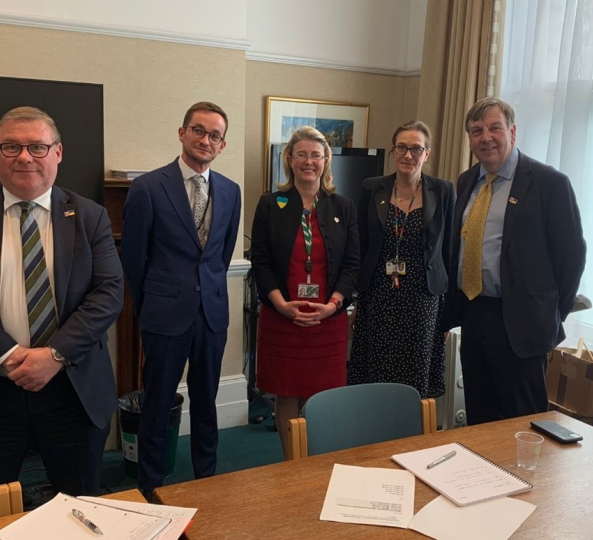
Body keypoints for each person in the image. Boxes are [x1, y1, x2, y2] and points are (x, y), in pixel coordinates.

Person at [0, 106, 124, 495]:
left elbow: (109, 293)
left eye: (37, 147)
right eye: (11, 147)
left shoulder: (90, 216)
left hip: (72, 391)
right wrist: (11, 356)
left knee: (78, 505)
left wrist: (54, 356)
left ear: (58, 153)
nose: (25, 157)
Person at [442, 97, 586, 425]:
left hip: (521, 324)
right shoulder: (467, 182)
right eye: (476, 131)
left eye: (495, 128)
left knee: (523, 424)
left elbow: (572, 258)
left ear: (513, 132)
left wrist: (548, 311)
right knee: (480, 417)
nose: (485, 137)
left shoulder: (548, 183)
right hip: (476, 314)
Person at [121, 102, 241, 493]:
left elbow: (220, 257)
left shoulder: (230, 191)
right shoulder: (148, 188)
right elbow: (134, 259)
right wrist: (150, 305)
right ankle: (151, 486)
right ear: (182, 132)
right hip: (163, 316)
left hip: (211, 316)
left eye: (214, 135)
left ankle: (206, 481)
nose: (205, 140)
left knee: (207, 403)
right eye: (198, 130)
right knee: (157, 407)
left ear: (222, 145)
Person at [250, 126, 359, 457]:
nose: (309, 161)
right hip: (283, 317)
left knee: (323, 396)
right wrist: (281, 304)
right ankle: (291, 464)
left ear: (326, 161)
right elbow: (261, 261)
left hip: (328, 319)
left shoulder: (343, 207)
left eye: (316, 155)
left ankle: (318, 461)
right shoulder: (271, 204)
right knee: (287, 393)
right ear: (289, 160)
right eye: (302, 154)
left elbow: (352, 264)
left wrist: (335, 304)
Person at [349, 120, 456, 399]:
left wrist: (448, 314)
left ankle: (413, 440)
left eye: (416, 149)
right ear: (393, 151)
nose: (408, 155)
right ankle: (376, 440)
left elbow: (450, 252)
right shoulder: (372, 188)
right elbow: (361, 245)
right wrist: (358, 301)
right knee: (377, 372)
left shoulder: (443, 191)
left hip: (423, 299)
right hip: (379, 297)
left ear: (427, 153)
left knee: (415, 376)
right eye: (402, 148)